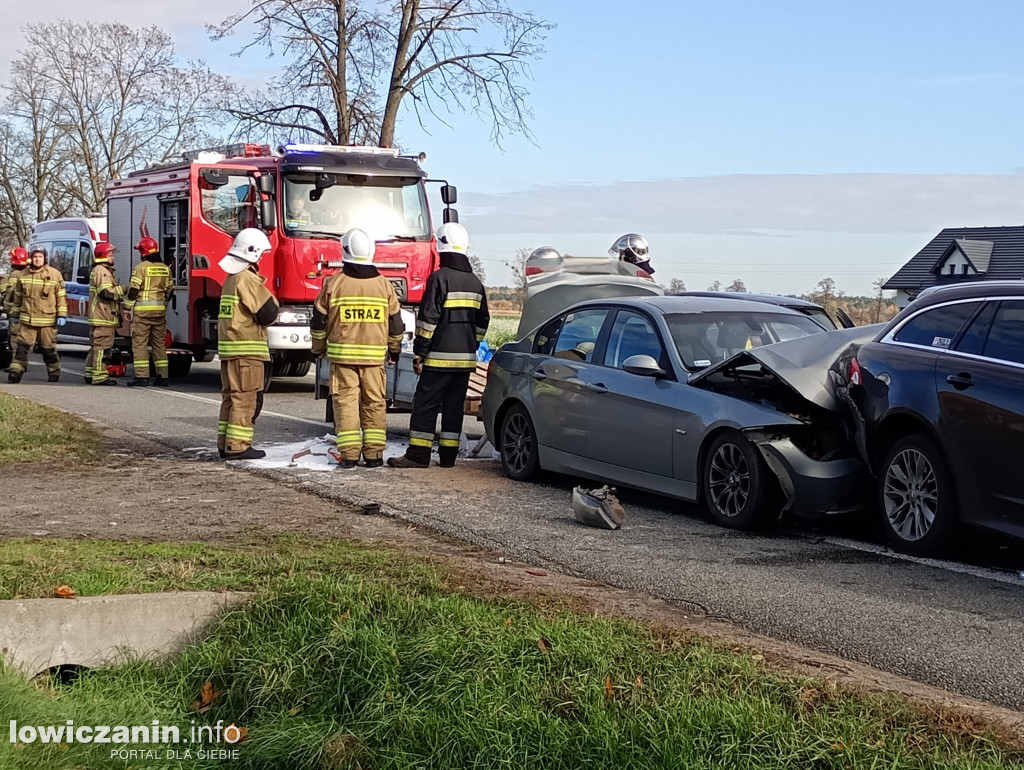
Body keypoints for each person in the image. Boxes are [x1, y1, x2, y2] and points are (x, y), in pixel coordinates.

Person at [388, 222, 489, 469]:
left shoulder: (439, 278)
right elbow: (483, 321)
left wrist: (420, 353)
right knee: (453, 409)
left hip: (437, 360)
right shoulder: (475, 283)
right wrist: (470, 344)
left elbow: (428, 321)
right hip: (464, 361)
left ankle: (418, 456)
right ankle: (448, 458)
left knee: (426, 405)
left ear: (441, 247)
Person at [311, 228, 403, 469]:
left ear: (344, 251)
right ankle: (374, 455)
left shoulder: (334, 284)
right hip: (374, 360)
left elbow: (318, 321)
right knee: (374, 403)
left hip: (343, 359)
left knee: (346, 403)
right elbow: (396, 323)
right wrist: (394, 351)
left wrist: (318, 349)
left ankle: (350, 455)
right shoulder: (384, 286)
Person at [216, 228, 279, 460]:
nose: (261, 258)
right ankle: (239, 445)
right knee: (246, 398)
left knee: (231, 399)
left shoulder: (230, 279)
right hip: (247, 351)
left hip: (231, 351)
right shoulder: (247, 279)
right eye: (261, 254)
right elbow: (268, 313)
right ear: (252, 253)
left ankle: (225, 443)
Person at [7, 247, 66, 383]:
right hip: (28, 320)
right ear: (30, 258)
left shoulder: (55, 274)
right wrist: (15, 313)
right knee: (22, 348)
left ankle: (54, 371)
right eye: (35, 257)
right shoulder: (24, 274)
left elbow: (61, 297)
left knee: (48, 349)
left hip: (47, 320)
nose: (37, 259)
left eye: (40, 256)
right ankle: (16, 371)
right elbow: (18, 297)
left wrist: (62, 314)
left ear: (45, 258)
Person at [124, 236, 173, 387]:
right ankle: (163, 376)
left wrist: (127, 307)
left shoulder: (141, 268)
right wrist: (163, 304)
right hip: (159, 313)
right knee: (159, 345)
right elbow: (170, 290)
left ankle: (142, 376)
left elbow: (133, 290)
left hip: (142, 314)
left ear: (143, 252)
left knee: (140, 344)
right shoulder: (165, 268)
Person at [84, 242, 123, 386]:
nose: (113, 257)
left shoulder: (99, 270)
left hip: (99, 316)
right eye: (111, 254)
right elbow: (106, 292)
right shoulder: (102, 271)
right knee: (103, 348)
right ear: (103, 255)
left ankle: (90, 373)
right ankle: (100, 376)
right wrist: (124, 290)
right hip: (103, 317)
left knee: (95, 347)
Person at [2, 247, 29, 357]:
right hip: (28, 310)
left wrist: (5, 308)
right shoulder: (29, 273)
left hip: (15, 311)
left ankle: (16, 363)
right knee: (25, 337)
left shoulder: (14, 275)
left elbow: (10, 294)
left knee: (14, 337)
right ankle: (22, 362)